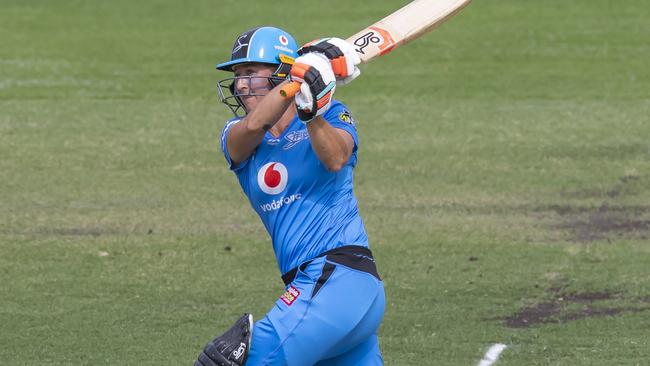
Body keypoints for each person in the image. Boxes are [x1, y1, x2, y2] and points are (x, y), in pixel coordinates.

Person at [195, 26, 385, 366]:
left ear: (279, 70)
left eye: (250, 73)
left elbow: (336, 158)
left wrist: (311, 113)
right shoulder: (236, 137)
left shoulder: (333, 114)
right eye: (237, 76)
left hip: (335, 277)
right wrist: (300, 79)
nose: (240, 84)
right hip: (324, 290)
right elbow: (253, 128)